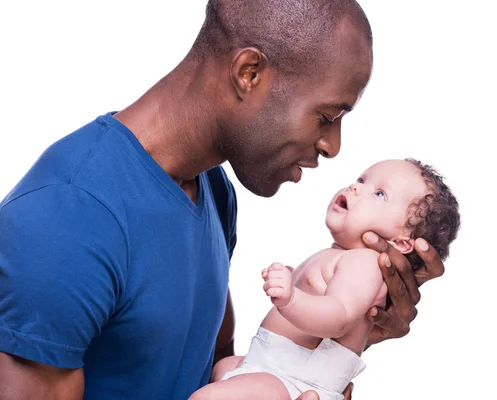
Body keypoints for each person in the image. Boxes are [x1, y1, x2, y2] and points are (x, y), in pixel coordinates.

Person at [0, 1, 446, 399]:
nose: (334, 146)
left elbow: (218, 372)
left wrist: (340, 346)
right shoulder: (65, 222)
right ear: (248, 73)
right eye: (327, 117)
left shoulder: (213, 188)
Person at [188, 159, 460, 400]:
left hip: (292, 382)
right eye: (361, 180)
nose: (355, 188)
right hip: (268, 366)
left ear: (401, 243)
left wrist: (292, 298)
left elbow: (339, 317)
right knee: (221, 369)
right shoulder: (340, 256)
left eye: (379, 194)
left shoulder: (365, 264)